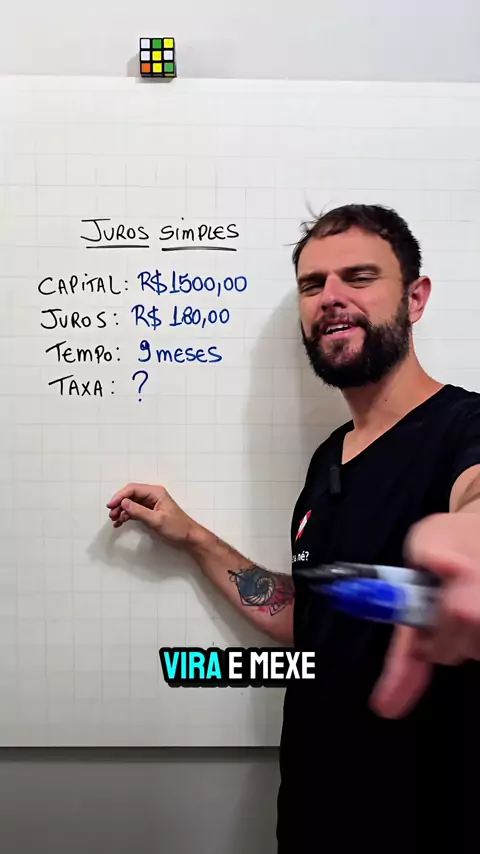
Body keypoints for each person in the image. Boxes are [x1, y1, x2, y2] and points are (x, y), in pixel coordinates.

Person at [107, 204, 480, 852]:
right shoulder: (328, 460)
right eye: (313, 284)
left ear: (415, 298)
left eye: (358, 277)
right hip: (313, 814)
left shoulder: (463, 428)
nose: (330, 297)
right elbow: (310, 613)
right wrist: (192, 537)